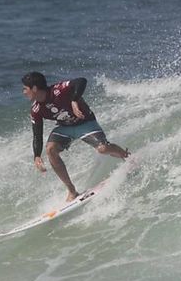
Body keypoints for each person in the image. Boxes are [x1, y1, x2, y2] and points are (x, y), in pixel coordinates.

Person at [21, 71, 130, 202]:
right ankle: (72, 190)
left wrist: (74, 100)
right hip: (65, 128)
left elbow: (81, 80)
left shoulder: (58, 90)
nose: (23, 92)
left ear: (34, 88)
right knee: (50, 150)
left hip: (86, 123)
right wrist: (37, 155)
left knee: (103, 149)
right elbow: (37, 134)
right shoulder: (36, 109)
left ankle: (126, 156)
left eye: (25, 89)